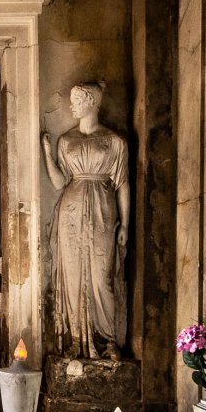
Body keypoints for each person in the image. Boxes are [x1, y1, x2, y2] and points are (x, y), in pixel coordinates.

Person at [42, 82, 130, 361]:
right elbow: (58, 182)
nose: (72, 106)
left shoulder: (115, 141)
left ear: (92, 102)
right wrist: (46, 151)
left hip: (103, 209)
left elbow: (123, 184)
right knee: (73, 275)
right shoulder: (66, 140)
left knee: (102, 276)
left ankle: (108, 340)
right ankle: (77, 340)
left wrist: (125, 224)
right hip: (71, 209)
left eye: (77, 100)